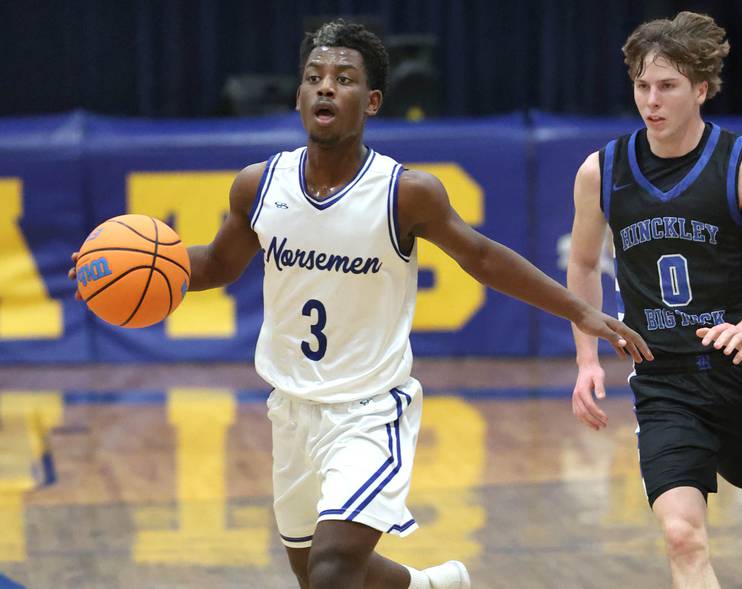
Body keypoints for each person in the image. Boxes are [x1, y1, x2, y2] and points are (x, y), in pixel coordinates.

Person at [70, 19, 650, 589]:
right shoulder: (259, 186)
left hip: (371, 408)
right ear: (299, 95)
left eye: (343, 78)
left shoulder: (405, 193)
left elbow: (482, 257)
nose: (325, 86)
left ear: (371, 101)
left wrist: (578, 309)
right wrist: (111, 269)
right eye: (314, 76)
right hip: (291, 406)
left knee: (331, 570)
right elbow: (215, 265)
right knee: (312, 570)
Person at [567, 11, 742, 588]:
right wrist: (587, 359)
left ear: (700, 88)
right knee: (681, 535)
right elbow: (580, 265)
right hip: (662, 376)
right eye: (643, 85)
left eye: (667, 85)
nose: (652, 99)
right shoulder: (602, 171)